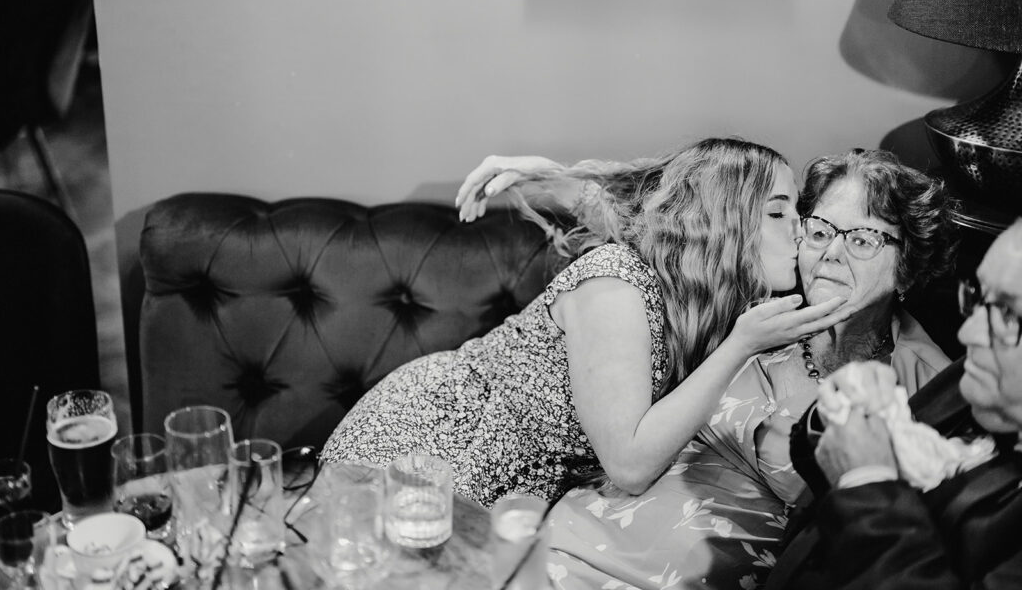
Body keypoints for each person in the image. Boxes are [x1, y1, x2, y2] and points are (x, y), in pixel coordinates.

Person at [465, 148, 958, 589]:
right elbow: (687, 211)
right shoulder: (753, 299)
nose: (830, 252)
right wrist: (542, 177)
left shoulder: (926, 384)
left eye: (864, 239)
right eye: (821, 230)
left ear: (908, 265)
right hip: (562, 547)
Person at [321, 138, 855, 508]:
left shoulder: (700, 290)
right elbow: (629, 465)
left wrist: (552, 175)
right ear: (726, 226)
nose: (801, 229)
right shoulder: (617, 285)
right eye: (779, 212)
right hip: (432, 445)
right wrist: (740, 346)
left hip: (504, 487)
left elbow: (615, 210)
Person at [764, 218, 1022, 590]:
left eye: (1011, 316)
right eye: (981, 299)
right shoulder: (979, 373)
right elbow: (818, 474)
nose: (968, 333)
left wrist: (868, 483)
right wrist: (843, 408)